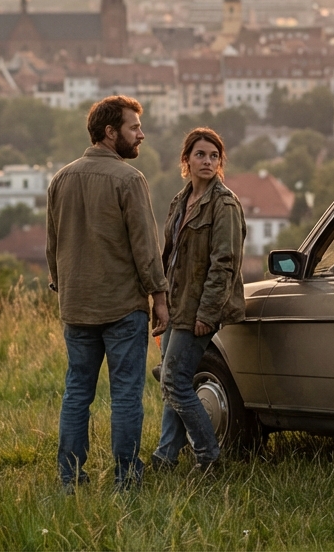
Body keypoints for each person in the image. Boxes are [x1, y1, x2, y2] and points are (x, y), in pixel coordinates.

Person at [46, 95, 169, 491]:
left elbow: (53, 246)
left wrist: (62, 286)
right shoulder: (130, 180)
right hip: (121, 307)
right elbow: (146, 247)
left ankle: (70, 478)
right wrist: (160, 297)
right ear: (110, 132)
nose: (141, 135)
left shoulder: (61, 178)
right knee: (126, 396)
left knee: (76, 393)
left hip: (76, 305)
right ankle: (126, 477)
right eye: (134, 128)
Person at [151, 127, 246, 474]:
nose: (207, 161)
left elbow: (225, 264)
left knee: (174, 380)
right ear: (186, 160)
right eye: (200, 155)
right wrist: (159, 302)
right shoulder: (181, 200)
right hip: (176, 306)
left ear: (220, 162)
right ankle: (165, 456)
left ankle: (208, 456)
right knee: (172, 382)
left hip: (199, 310)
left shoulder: (225, 204)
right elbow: (170, 257)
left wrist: (208, 312)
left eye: (214, 156)